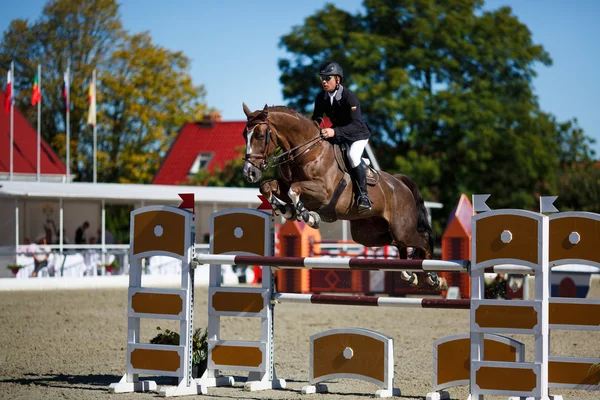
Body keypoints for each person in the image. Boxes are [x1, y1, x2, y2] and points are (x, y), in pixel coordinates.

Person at [311, 61, 372, 212]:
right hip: (338, 133)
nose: (324, 81)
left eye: (328, 78)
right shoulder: (321, 97)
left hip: (358, 134)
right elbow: (316, 119)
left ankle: (363, 196)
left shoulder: (349, 97)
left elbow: (356, 124)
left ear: (337, 80)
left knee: (352, 155)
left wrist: (334, 132)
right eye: (322, 78)